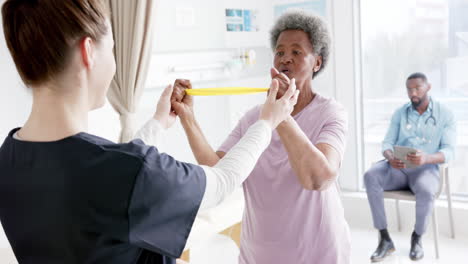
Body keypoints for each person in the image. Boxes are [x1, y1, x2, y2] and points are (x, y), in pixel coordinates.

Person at [0, 1, 299, 263]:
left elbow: (112, 176)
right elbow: (222, 182)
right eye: (113, 48)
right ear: (88, 51)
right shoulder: (126, 172)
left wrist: (158, 122)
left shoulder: (9, 157)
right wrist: (268, 121)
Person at [170, 10, 350, 264]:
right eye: (279, 52)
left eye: (296, 52)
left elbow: (318, 178)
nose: (285, 59)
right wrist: (187, 117)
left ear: (317, 63)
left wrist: (281, 114)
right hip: (258, 255)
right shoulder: (253, 118)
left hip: (318, 254)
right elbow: (217, 170)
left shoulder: (330, 113)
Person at [364, 72, 456, 262]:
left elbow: (449, 151)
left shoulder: (445, 114)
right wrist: (389, 157)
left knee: (426, 189)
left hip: (426, 169)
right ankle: (384, 239)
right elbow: (387, 143)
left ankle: (417, 238)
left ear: (428, 87)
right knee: (370, 175)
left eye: (417, 88)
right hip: (398, 168)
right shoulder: (400, 113)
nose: (413, 93)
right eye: (409, 89)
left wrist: (427, 158)